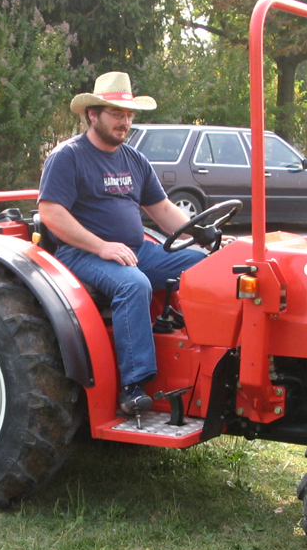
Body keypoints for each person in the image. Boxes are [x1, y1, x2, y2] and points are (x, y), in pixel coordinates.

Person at [38, 72, 214, 416]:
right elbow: (51, 213)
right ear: (93, 114)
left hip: (135, 250)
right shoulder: (69, 156)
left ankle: (205, 358)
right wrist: (102, 246)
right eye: (116, 114)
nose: (125, 121)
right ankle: (134, 386)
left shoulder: (134, 159)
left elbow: (162, 209)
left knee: (203, 267)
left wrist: (204, 234)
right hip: (82, 254)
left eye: (129, 114)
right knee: (134, 285)